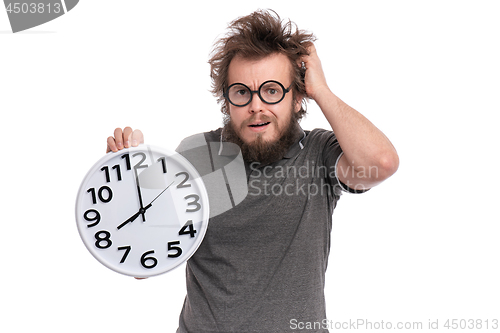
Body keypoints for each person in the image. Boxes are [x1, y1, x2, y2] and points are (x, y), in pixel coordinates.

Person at [106, 10, 399, 333]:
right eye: (242, 92)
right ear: (227, 100)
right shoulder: (198, 155)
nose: (256, 105)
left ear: (297, 97)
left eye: (272, 90)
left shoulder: (319, 154)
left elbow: (381, 162)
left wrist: (322, 91)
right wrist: (126, 184)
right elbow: (142, 265)